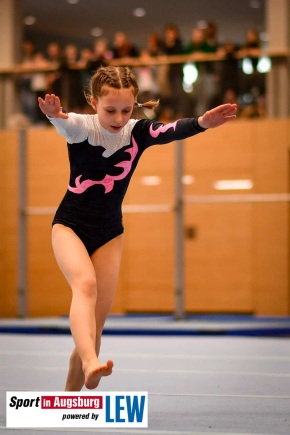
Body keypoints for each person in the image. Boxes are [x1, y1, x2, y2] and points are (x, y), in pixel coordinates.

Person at [38, 65, 237, 391]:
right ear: (92, 101)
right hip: (69, 225)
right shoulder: (80, 128)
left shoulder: (137, 132)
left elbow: (171, 129)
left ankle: (70, 400)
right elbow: (64, 121)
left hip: (109, 233)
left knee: (95, 324)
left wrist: (202, 123)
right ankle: (91, 362)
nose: (118, 117)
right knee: (85, 286)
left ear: (135, 105)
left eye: (126, 110)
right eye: (110, 110)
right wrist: (53, 114)